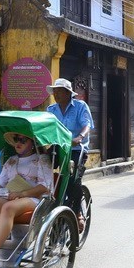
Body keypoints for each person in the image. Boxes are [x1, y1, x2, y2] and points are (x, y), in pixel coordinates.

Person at [0, 132, 52, 255]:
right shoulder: (12, 160)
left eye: (23, 140)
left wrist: (23, 193)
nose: (18, 143)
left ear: (33, 143)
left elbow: (45, 186)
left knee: (8, 207)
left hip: (33, 198)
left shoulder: (41, 160)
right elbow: (1, 180)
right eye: (17, 139)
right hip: (10, 196)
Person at [46, 78, 94, 233]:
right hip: (57, 147)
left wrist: (80, 137)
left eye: (59, 92)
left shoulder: (80, 106)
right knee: (44, 174)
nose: (56, 95)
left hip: (76, 149)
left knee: (73, 180)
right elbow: (46, 128)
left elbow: (87, 125)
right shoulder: (51, 110)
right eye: (55, 92)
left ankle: (77, 212)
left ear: (68, 93)